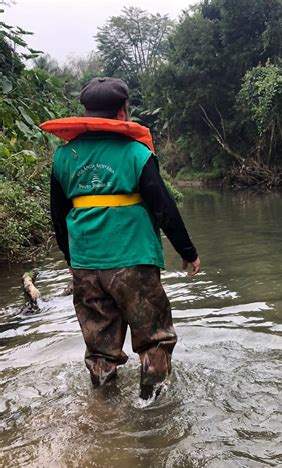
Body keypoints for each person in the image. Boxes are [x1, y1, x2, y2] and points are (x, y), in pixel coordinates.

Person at [44, 77, 200, 400]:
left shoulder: (63, 158)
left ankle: (105, 417)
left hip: (86, 266)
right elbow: (164, 207)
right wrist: (188, 252)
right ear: (122, 111)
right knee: (154, 341)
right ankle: (150, 413)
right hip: (133, 263)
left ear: (86, 112)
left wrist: (74, 261)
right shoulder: (135, 153)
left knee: (100, 351)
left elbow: (58, 218)